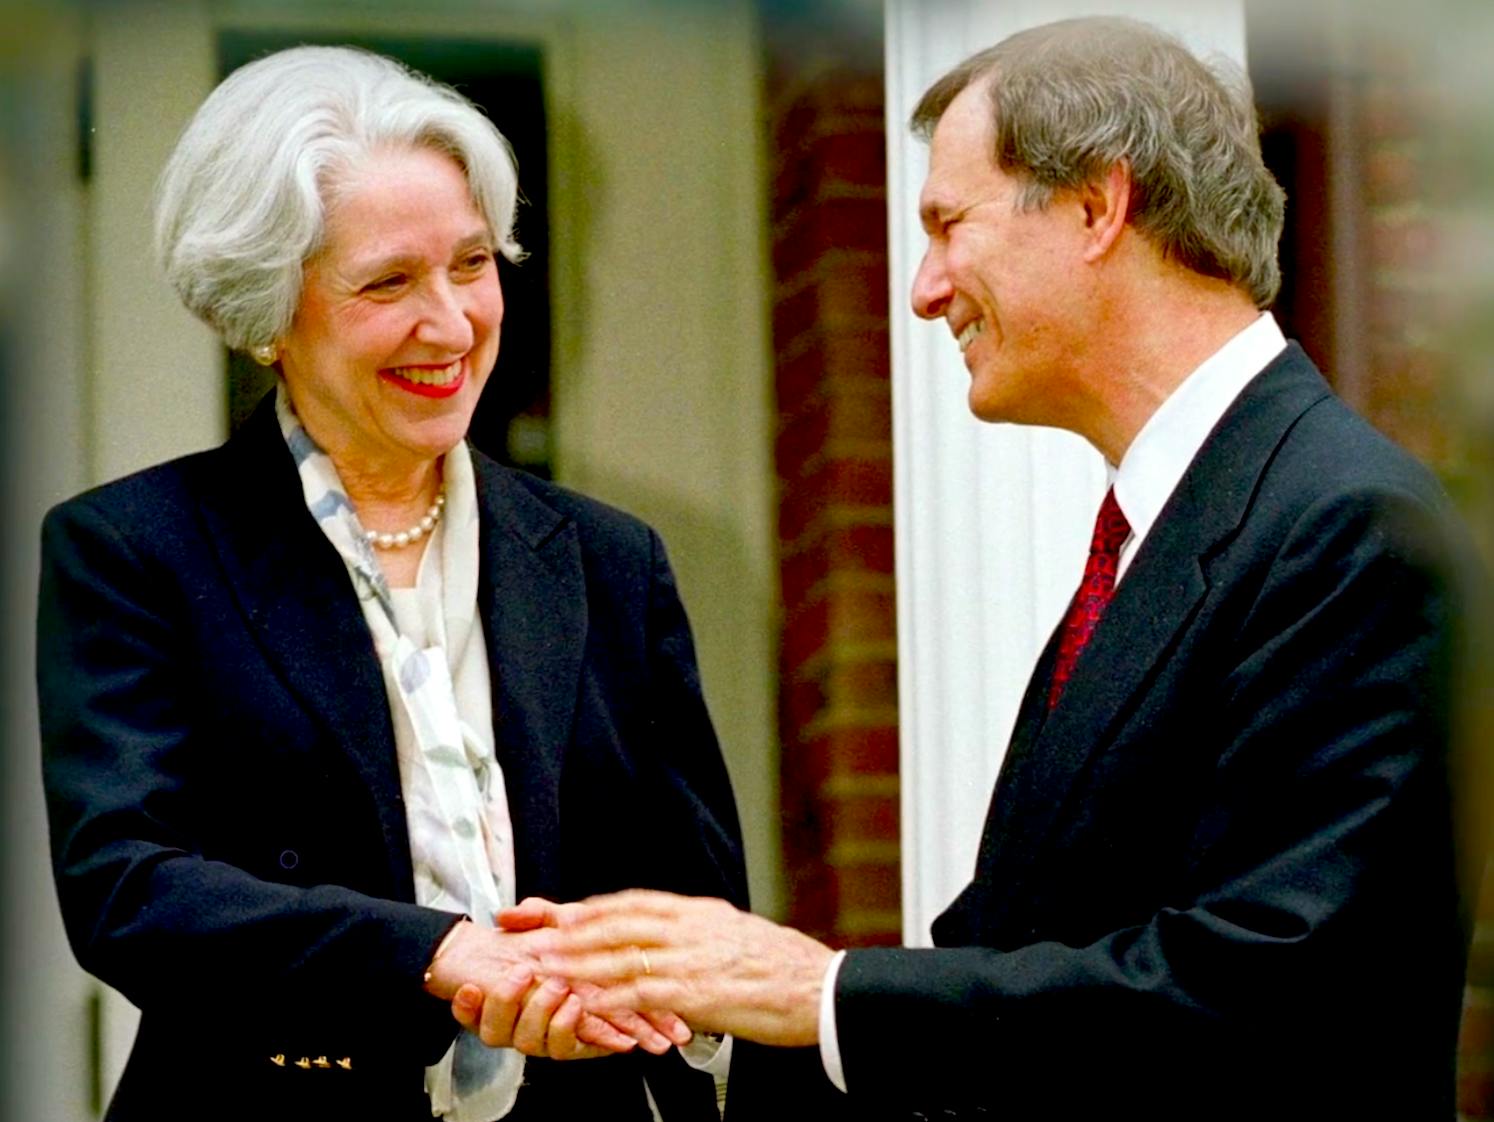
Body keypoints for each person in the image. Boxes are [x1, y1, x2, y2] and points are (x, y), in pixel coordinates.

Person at [502, 16, 1476, 1120]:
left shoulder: (1352, 525)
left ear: (1098, 207)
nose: (924, 288)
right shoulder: (1161, 539)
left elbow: (1275, 997)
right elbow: (1005, 978)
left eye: (947, 224)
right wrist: (702, 1021)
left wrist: (813, 992)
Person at [37, 45, 754, 1121]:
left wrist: (637, 991)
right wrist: (442, 958)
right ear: (268, 316)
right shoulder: (136, 549)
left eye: (472, 264)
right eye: (388, 283)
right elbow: (131, 889)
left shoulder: (614, 562)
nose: (453, 324)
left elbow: (698, 910)